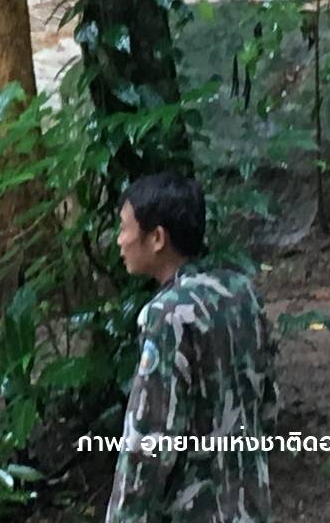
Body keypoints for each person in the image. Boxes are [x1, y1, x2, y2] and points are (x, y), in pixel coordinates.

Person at [106, 172, 279, 523]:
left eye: (125, 228)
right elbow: (268, 405)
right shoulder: (242, 293)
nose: (119, 241)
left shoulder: (166, 315)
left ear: (157, 238)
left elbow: (150, 442)